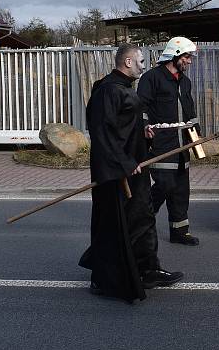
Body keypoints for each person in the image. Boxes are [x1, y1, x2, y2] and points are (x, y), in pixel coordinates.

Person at [79, 43, 182, 302]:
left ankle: (148, 270)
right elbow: (103, 132)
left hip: (134, 167)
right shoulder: (108, 91)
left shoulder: (124, 88)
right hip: (117, 173)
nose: (144, 67)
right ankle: (103, 278)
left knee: (143, 219)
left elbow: (123, 128)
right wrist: (124, 163)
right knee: (114, 224)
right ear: (127, 62)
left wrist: (142, 134)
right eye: (141, 63)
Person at [137, 36, 201, 246]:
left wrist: (196, 134)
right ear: (174, 55)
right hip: (161, 143)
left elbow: (190, 110)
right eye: (187, 56)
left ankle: (180, 231)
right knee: (165, 184)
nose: (189, 61)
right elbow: (141, 107)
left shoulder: (185, 82)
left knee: (182, 189)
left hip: (183, 142)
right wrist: (145, 126)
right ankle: (140, 222)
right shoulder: (152, 78)